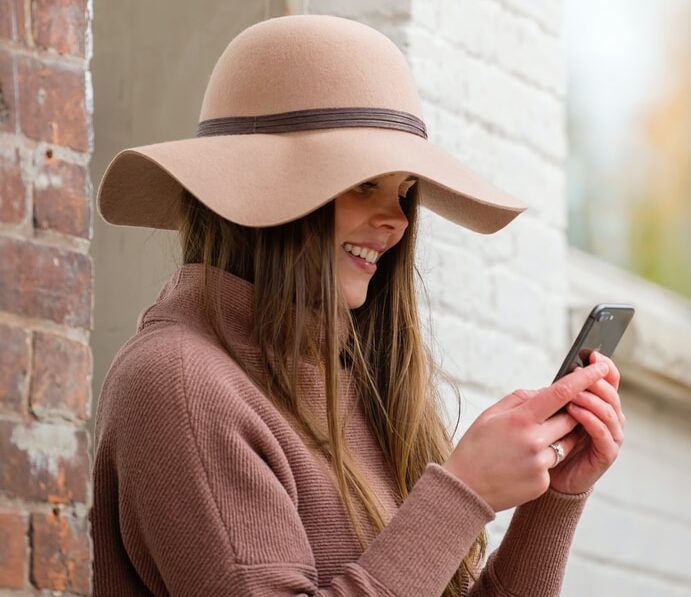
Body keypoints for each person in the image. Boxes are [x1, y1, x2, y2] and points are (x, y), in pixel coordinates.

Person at [89, 14, 625, 597]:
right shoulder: (179, 383)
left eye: (404, 192)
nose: (397, 221)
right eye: (364, 184)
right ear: (263, 188)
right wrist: (463, 491)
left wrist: (553, 500)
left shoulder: (358, 384)